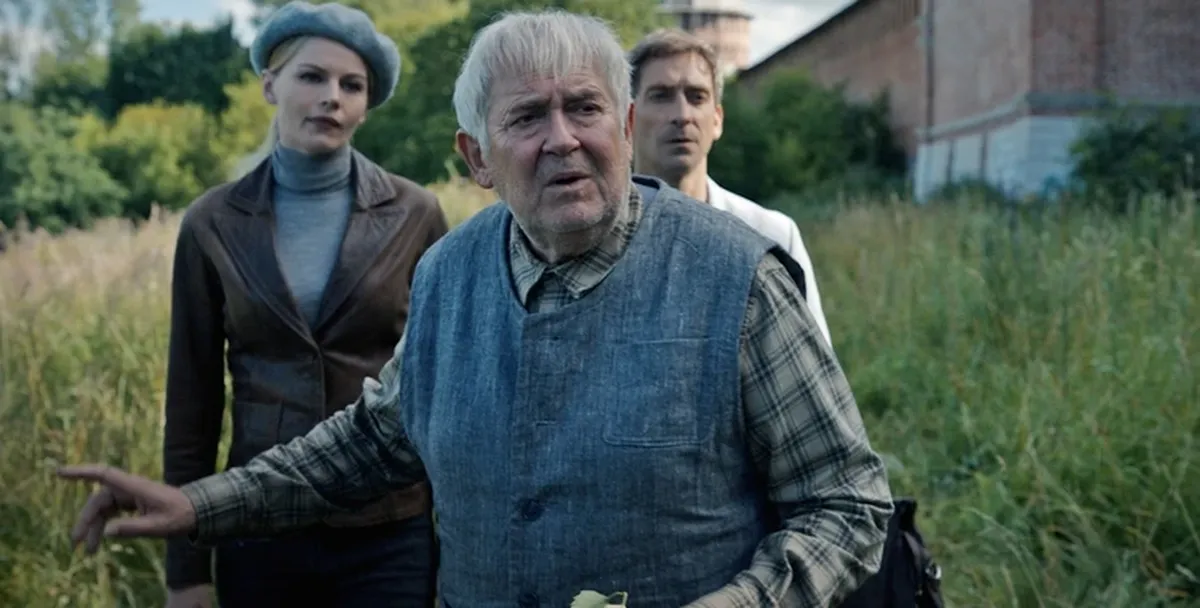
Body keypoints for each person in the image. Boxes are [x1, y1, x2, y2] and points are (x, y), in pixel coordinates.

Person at [58, 9, 893, 608]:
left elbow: (848, 505)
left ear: (626, 125)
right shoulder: (447, 273)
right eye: (527, 117)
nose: (562, 138)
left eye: (585, 107)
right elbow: (373, 441)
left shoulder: (738, 276)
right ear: (477, 158)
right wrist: (198, 506)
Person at [154, 2, 447, 607]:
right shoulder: (213, 222)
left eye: (351, 85)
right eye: (312, 76)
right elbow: (193, 403)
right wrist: (186, 571)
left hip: (388, 528)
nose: (331, 97)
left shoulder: (415, 214)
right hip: (257, 526)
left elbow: (445, 387)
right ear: (270, 85)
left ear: (366, 103)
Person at [628, 29, 834, 348]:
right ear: (629, 118)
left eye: (696, 97)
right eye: (661, 96)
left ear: (717, 120)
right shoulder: (595, 236)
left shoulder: (771, 237)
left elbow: (814, 364)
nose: (682, 115)